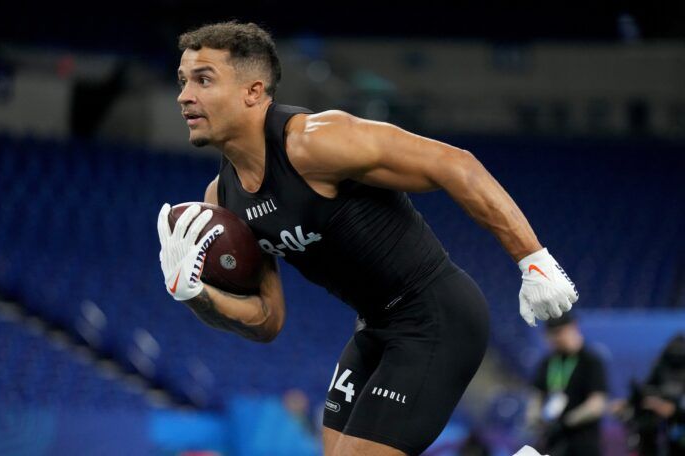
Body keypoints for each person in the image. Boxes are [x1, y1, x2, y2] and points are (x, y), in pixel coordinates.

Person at [156, 21, 578, 456]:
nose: (185, 95)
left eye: (203, 79)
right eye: (183, 81)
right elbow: (268, 320)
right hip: (375, 329)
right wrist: (194, 292)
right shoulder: (222, 199)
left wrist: (534, 260)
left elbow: (456, 164)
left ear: (253, 91)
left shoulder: (315, 142)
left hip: (437, 317)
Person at [525, 313, 607, 456]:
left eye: (559, 333)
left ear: (573, 328)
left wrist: (566, 422)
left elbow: (597, 405)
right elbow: (536, 398)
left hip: (582, 445)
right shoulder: (548, 362)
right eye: (551, 335)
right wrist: (535, 418)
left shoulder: (590, 361)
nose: (556, 339)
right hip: (553, 444)